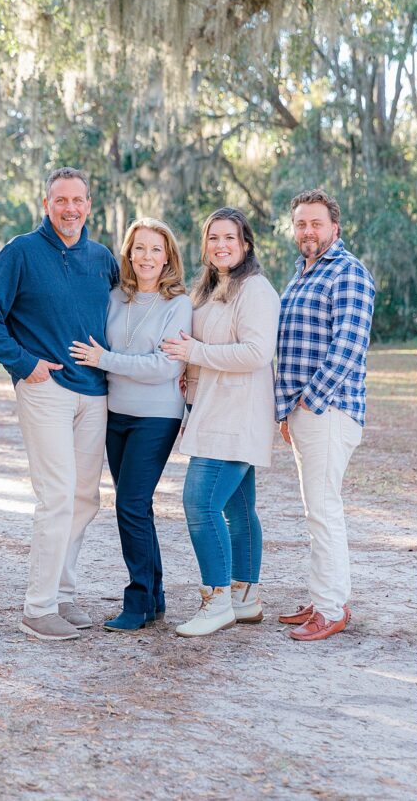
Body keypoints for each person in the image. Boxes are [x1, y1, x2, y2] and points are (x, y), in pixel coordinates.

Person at [0, 167, 119, 641]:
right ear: (46, 204)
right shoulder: (21, 252)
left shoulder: (102, 259)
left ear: (89, 205)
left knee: (83, 498)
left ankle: (63, 596)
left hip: (95, 393)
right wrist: (23, 363)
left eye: (78, 200)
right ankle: (38, 607)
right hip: (46, 389)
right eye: (61, 201)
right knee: (56, 497)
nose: (70, 209)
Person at [68, 218, 192, 632]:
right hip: (115, 413)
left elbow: (163, 366)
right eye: (139, 248)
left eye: (156, 249)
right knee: (138, 505)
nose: (147, 257)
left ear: (168, 256)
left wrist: (106, 360)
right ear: (129, 253)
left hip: (157, 415)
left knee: (130, 504)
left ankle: (137, 601)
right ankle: (154, 597)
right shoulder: (115, 298)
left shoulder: (178, 304)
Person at [162, 208, 279, 638]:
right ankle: (245, 597)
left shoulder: (256, 290)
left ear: (245, 243)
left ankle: (217, 601)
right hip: (210, 413)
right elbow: (195, 353)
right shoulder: (210, 290)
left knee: (199, 503)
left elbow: (255, 353)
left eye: (229, 237)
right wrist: (187, 392)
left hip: (237, 416)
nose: (221, 245)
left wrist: (193, 354)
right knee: (237, 508)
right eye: (213, 238)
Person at [275, 189, 375, 642]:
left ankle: (332, 609)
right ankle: (323, 596)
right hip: (305, 412)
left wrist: (309, 402)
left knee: (324, 510)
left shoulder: (348, 273)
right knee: (317, 509)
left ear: (334, 227)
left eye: (315, 224)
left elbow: (347, 348)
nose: (307, 232)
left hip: (329, 411)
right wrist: (286, 412)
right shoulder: (301, 274)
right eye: (300, 224)